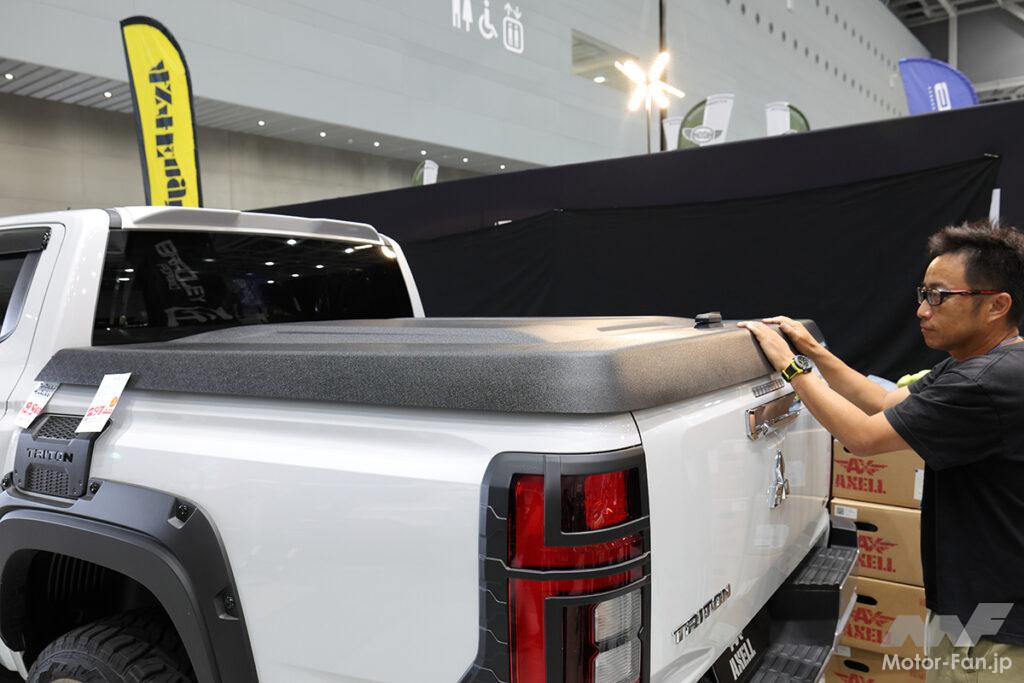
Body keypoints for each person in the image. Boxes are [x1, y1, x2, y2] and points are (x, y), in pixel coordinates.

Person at [739, 220, 1024, 682]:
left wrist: (790, 364)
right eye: (923, 294)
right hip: (977, 609)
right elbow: (881, 401)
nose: (922, 310)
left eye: (939, 296)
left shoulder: (987, 382)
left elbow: (863, 436)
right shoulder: (980, 364)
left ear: (997, 305)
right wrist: (812, 350)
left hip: (997, 627)